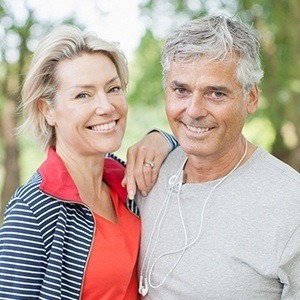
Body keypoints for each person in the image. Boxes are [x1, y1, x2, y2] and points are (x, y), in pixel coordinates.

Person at [0, 25, 176, 299]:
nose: (106, 106)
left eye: (113, 88)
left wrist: (162, 138)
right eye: (83, 95)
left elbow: (199, 150)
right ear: (48, 110)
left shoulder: (127, 181)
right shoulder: (31, 212)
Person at [132, 15, 300, 299]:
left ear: (251, 98)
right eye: (181, 90)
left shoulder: (290, 204)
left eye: (216, 93)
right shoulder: (149, 172)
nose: (194, 110)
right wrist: (160, 137)